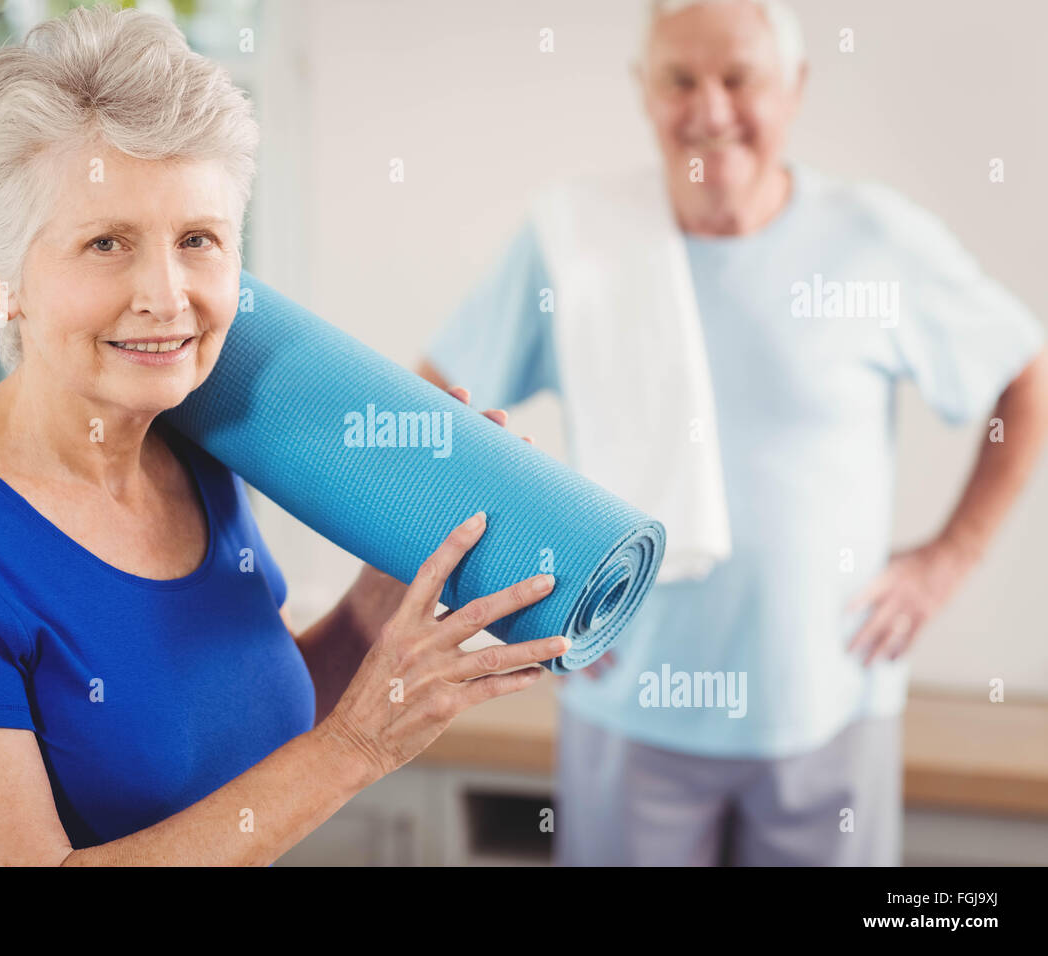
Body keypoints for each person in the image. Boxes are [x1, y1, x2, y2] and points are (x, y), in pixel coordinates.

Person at [0, 5, 563, 866]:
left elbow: (245, 727)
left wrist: (383, 599)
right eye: (107, 242)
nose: (167, 294)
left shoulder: (197, 450)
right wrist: (358, 750)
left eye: (198, 239)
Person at [418, 0, 1048, 865]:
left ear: (794, 87)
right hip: (626, 709)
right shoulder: (575, 241)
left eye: (739, 78)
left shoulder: (875, 240)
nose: (710, 110)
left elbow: (1022, 369)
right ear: (644, 91)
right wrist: (520, 586)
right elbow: (434, 411)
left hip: (829, 709)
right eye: (680, 79)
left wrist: (949, 560)